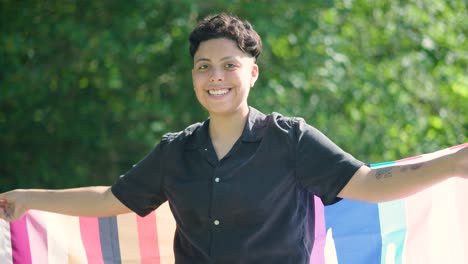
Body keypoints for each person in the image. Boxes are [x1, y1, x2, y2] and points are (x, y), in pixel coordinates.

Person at [1, 13, 467, 264]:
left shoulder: (292, 140)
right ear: (193, 76)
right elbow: (113, 198)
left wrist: (450, 165)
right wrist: (27, 198)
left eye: (229, 65)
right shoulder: (175, 152)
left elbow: (368, 184)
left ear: (253, 72)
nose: (215, 76)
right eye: (204, 66)